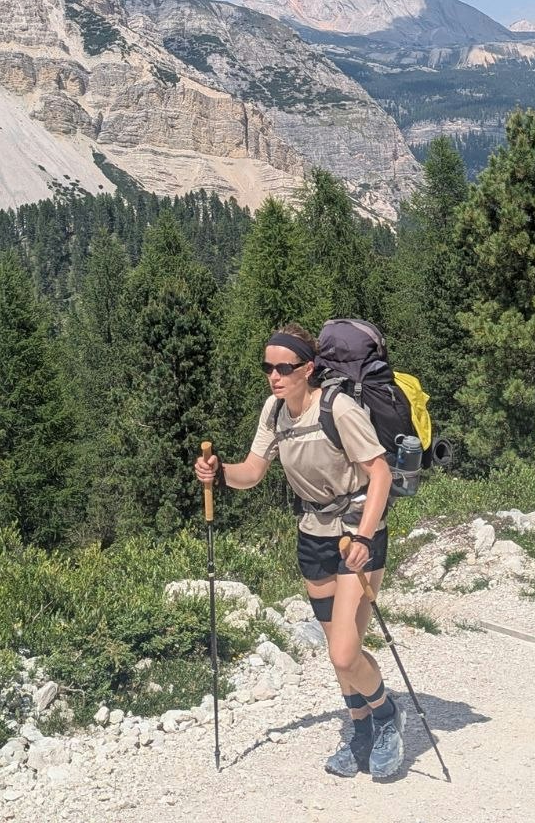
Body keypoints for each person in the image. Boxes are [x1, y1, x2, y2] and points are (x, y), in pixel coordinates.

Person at [193, 323, 403, 779]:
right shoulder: (274, 412)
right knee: (337, 650)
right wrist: (219, 472)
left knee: (344, 653)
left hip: (355, 533)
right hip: (313, 534)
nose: (274, 376)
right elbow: (252, 472)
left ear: (308, 369)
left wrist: (365, 538)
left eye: (284, 368)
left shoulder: (338, 408)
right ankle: (361, 730)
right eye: (268, 367)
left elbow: (380, 473)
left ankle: (388, 717)